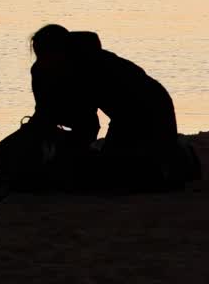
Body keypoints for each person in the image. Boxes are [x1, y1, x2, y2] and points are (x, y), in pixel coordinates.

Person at [23, 24, 194, 192]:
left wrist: (65, 147)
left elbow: (87, 124)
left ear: (61, 52)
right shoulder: (47, 70)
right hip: (124, 116)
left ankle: (181, 155)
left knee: (117, 176)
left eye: (47, 56)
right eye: (39, 56)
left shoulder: (87, 65)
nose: (43, 62)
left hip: (148, 109)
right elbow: (45, 112)